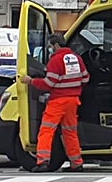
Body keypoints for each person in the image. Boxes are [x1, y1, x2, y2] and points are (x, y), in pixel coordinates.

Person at [19, 32, 89, 173]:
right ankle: (76, 163)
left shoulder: (55, 60)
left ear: (56, 45)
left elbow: (48, 83)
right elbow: (85, 78)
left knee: (46, 130)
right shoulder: (76, 58)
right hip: (73, 100)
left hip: (58, 101)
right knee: (70, 132)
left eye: (51, 46)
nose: (50, 48)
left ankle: (43, 161)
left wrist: (31, 81)